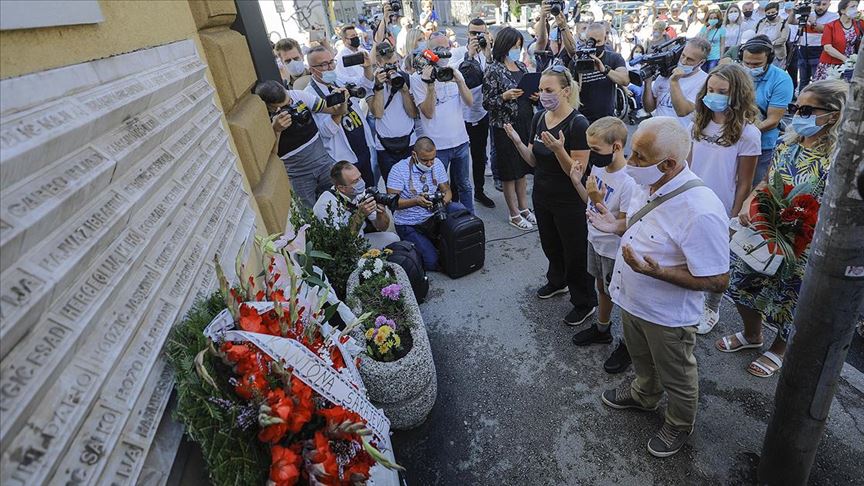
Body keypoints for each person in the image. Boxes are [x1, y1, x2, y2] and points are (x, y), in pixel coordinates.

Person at [591, 117, 730, 458]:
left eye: (639, 156)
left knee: (677, 373)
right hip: (631, 300)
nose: (630, 161)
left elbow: (718, 280)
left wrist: (660, 273)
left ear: (668, 164)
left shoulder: (701, 210)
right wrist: (616, 225)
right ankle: (643, 393)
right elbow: (641, 222)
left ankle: (680, 423)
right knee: (640, 358)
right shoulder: (646, 182)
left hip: (667, 316)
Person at [716, 80, 846, 377]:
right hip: (765, 231)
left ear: (834, 114)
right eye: (795, 108)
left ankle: (779, 349)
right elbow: (766, 181)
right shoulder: (788, 144)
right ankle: (752, 335)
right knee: (739, 284)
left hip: (804, 242)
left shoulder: (839, 160)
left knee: (790, 301)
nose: (798, 115)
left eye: (806, 109)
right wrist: (751, 203)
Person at [505, 66, 599, 326]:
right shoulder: (539, 118)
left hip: (569, 200)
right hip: (543, 194)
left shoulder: (578, 124)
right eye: (542, 90)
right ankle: (557, 281)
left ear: (566, 91)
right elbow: (534, 160)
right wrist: (516, 141)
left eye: (549, 90)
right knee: (551, 244)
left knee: (575, 252)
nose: (543, 95)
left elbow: (576, 173)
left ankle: (585, 301)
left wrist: (559, 150)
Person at [689, 64, 762, 334]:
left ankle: (712, 307)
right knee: (692, 254)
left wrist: (733, 218)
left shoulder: (748, 133)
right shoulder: (698, 123)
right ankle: (693, 300)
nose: (714, 95)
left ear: (737, 95)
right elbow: (688, 163)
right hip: (692, 200)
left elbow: (745, 182)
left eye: (722, 91)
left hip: (721, 206)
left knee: (718, 261)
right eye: (710, 89)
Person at [569, 117, 636, 374]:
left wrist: (598, 200)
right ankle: (602, 328)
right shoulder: (599, 168)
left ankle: (629, 346)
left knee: (623, 298)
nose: (591, 155)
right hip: (595, 241)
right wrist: (577, 182)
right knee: (601, 287)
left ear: (616, 147)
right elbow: (589, 201)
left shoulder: (629, 181)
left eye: (595, 150)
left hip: (614, 249)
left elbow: (623, 224)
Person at [411, 32, 475, 214]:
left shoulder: (454, 71)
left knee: (464, 185)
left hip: (461, 141)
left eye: (447, 48)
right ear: (429, 51)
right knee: (438, 188)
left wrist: (459, 81)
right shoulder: (418, 78)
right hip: (437, 147)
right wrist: (430, 84)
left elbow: (470, 102)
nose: (445, 53)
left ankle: (470, 219)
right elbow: (428, 113)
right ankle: (445, 224)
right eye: (439, 49)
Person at [482, 28, 537, 229]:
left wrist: (534, 96)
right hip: (504, 126)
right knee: (509, 171)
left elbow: (530, 90)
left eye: (519, 46)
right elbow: (486, 103)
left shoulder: (521, 65)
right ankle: (513, 213)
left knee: (522, 169)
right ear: (504, 46)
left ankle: (524, 208)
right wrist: (504, 97)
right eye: (514, 46)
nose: (517, 50)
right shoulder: (493, 69)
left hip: (525, 121)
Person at [386, 137, 468, 270]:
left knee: (458, 208)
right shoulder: (398, 170)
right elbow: (393, 203)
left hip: (433, 217)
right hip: (409, 223)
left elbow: (447, 191)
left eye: (432, 159)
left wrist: (441, 202)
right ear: (414, 154)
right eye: (425, 160)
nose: (430, 164)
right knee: (432, 262)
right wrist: (416, 201)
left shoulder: (437, 163)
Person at [254, 80, 338, 208]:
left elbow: (332, 109)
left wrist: (341, 101)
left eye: (290, 102)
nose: (290, 106)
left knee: (339, 203)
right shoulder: (260, 120)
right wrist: (276, 130)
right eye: (284, 107)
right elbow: (271, 157)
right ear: (270, 107)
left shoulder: (297, 95)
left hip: (323, 162)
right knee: (310, 217)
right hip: (298, 175)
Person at [306, 46, 378, 187]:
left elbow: (365, 85)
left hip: (362, 148)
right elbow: (325, 132)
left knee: (370, 190)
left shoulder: (338, 79)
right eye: (324, 64)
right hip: (344, 160)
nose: (330, 67)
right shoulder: (309, 96)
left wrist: (367, 68)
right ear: (312, 69)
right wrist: (339, 109)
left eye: (332, 62)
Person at [739, 35, 794, 185]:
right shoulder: (738, 73)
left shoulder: (781, 79)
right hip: (734, 143)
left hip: (762, 146)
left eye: (756, 64)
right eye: (747, 63)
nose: (750, 68)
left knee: (752, 186)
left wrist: (743, 133)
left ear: (769, 60)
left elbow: (773, 120)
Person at [313, 161, 400, 250]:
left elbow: (382, 227)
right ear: (341, 188)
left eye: (360, 177)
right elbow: (343, 242)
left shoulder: (360, 193)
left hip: (359, 239)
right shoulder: (326, 204)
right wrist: (360, 214)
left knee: (393, 239)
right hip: (339, 250)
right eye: (355, 181)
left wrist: (381, 213)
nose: (361, 182)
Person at [459, 18, 496, 209]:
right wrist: (470, 55)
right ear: (468, 34)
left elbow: (493, 77)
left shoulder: (488, 53)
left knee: (479, 155)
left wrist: (487, 53)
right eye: (474, 33)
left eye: (481, 33)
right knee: (459, 158)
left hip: (481, 113)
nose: (477, 37)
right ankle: (457, 194)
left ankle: (479, 191)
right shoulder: (459, 53)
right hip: (461, 115)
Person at [369, 42, 418, 183]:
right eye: (389, 65)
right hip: (385, 147)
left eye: (396, 63)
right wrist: (379, 87)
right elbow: (377, 113)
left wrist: (403, 90)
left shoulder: (405, 79)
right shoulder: (370, 82)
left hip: (409, 143)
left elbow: (413, 114)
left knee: (413, 185)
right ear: (379, 63)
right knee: (393, 188)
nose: (394, 69)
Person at [642, 38, 711, 130]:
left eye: (690, 60)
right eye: (683, 55)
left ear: (701, 62)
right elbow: (649, 108)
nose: (683, 61)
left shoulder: (704, 81)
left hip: (681, 138)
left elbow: (682, 111)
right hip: (657, 133)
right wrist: (647, 83)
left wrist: (674, 82)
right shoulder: (666, 73)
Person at [575, 23, 630, 123]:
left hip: (606, 120)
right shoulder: (577, 59)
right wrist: (580, 69)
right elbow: (573, 91)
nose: (595, 45)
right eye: (591, 41)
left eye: (598, 41)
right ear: (586, 40)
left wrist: (604, 70)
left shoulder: (614, 58)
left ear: (605, 39)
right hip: (582, 119)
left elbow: (625, 80)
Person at [788, 0, 837, 89]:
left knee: (817, 80)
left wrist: (812, 19)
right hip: (803, 49)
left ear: (829, 4)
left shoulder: (833, 17)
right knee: (803, 80)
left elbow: (822, 29)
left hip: (819, 50)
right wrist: (793, 12)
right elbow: (791, 21)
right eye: (818, 4)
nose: (820, 7)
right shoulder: (807, 13)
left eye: (824, 4)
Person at [812, 0, 862, 82]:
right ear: (842, 10)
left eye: (856, 7)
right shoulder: (831, 26)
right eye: (852, 7)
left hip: (851, 66)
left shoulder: (859, 24)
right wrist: (846, 60)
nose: (855, 9)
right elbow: (827, 48)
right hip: (831, 66)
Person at [533, 2, 577, 72]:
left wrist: (563, 27)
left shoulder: (567, 48)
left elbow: (573, 52)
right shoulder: (546, 48)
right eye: (555, 27)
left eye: (558, 27)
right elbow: (541, 41)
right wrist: (543, 16)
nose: (557, 29)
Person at [335, 25, 375, 89]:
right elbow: (342, 79)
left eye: (356, 35)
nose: (356, 38)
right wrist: (360, 80)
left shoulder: (364, 52)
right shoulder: (340, 58)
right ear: (345, 39)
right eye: (353, 36)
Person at [755, 2, 791, 68]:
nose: (770, 14)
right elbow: (757, 35)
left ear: (777, 11)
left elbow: (783, 39)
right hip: (763, 53)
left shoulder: (783, 23)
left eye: (772, 12)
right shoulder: (761, 22)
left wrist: (771, 44)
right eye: (768, 13)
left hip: (777, 55)